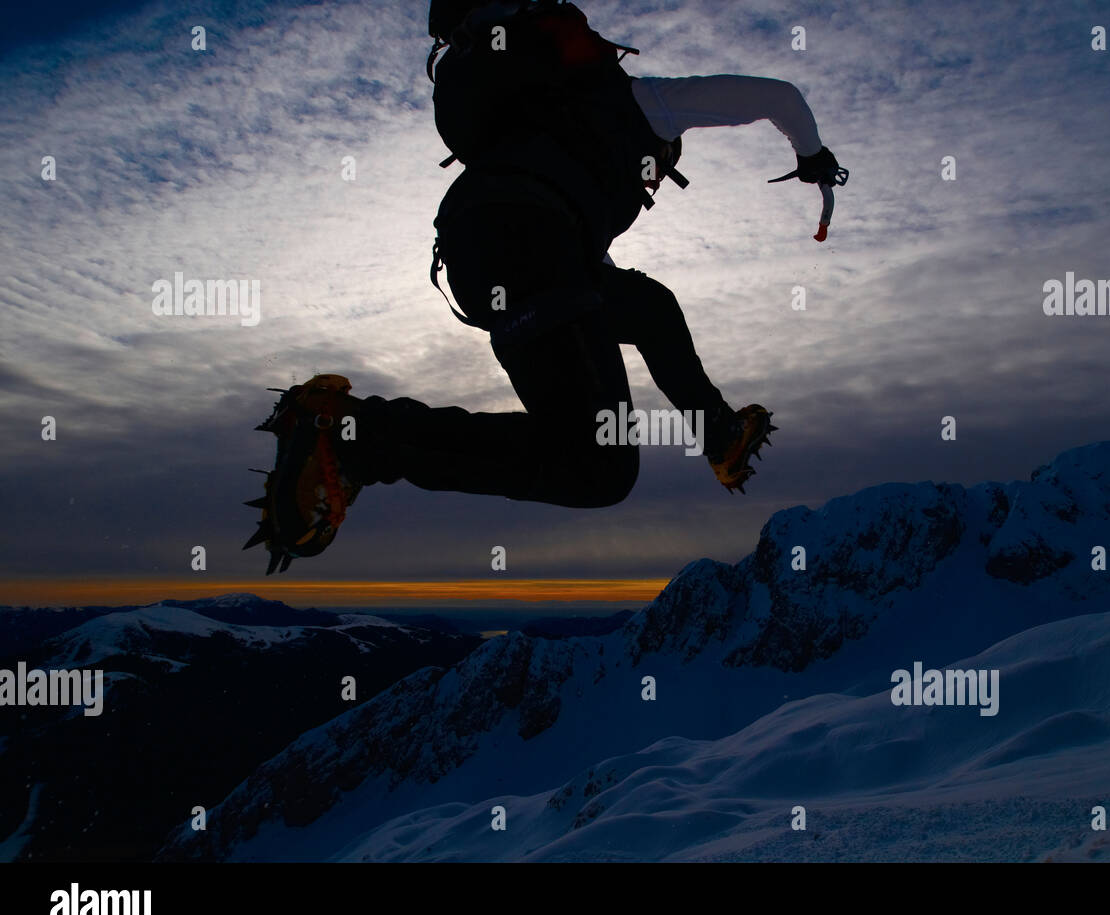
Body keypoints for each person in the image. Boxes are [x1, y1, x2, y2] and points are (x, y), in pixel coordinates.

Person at [243, 0, 846, 574]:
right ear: (661, 150)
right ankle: (353, 435)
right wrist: (815, 158)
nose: (653, 182)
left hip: (483, 252)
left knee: (645, 310)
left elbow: (638, 307)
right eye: (661, 167)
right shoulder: (636, 104)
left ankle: (719, 433)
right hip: (533, 242)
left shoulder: (541, 131)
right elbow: (778, 97)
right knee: (598, 470)